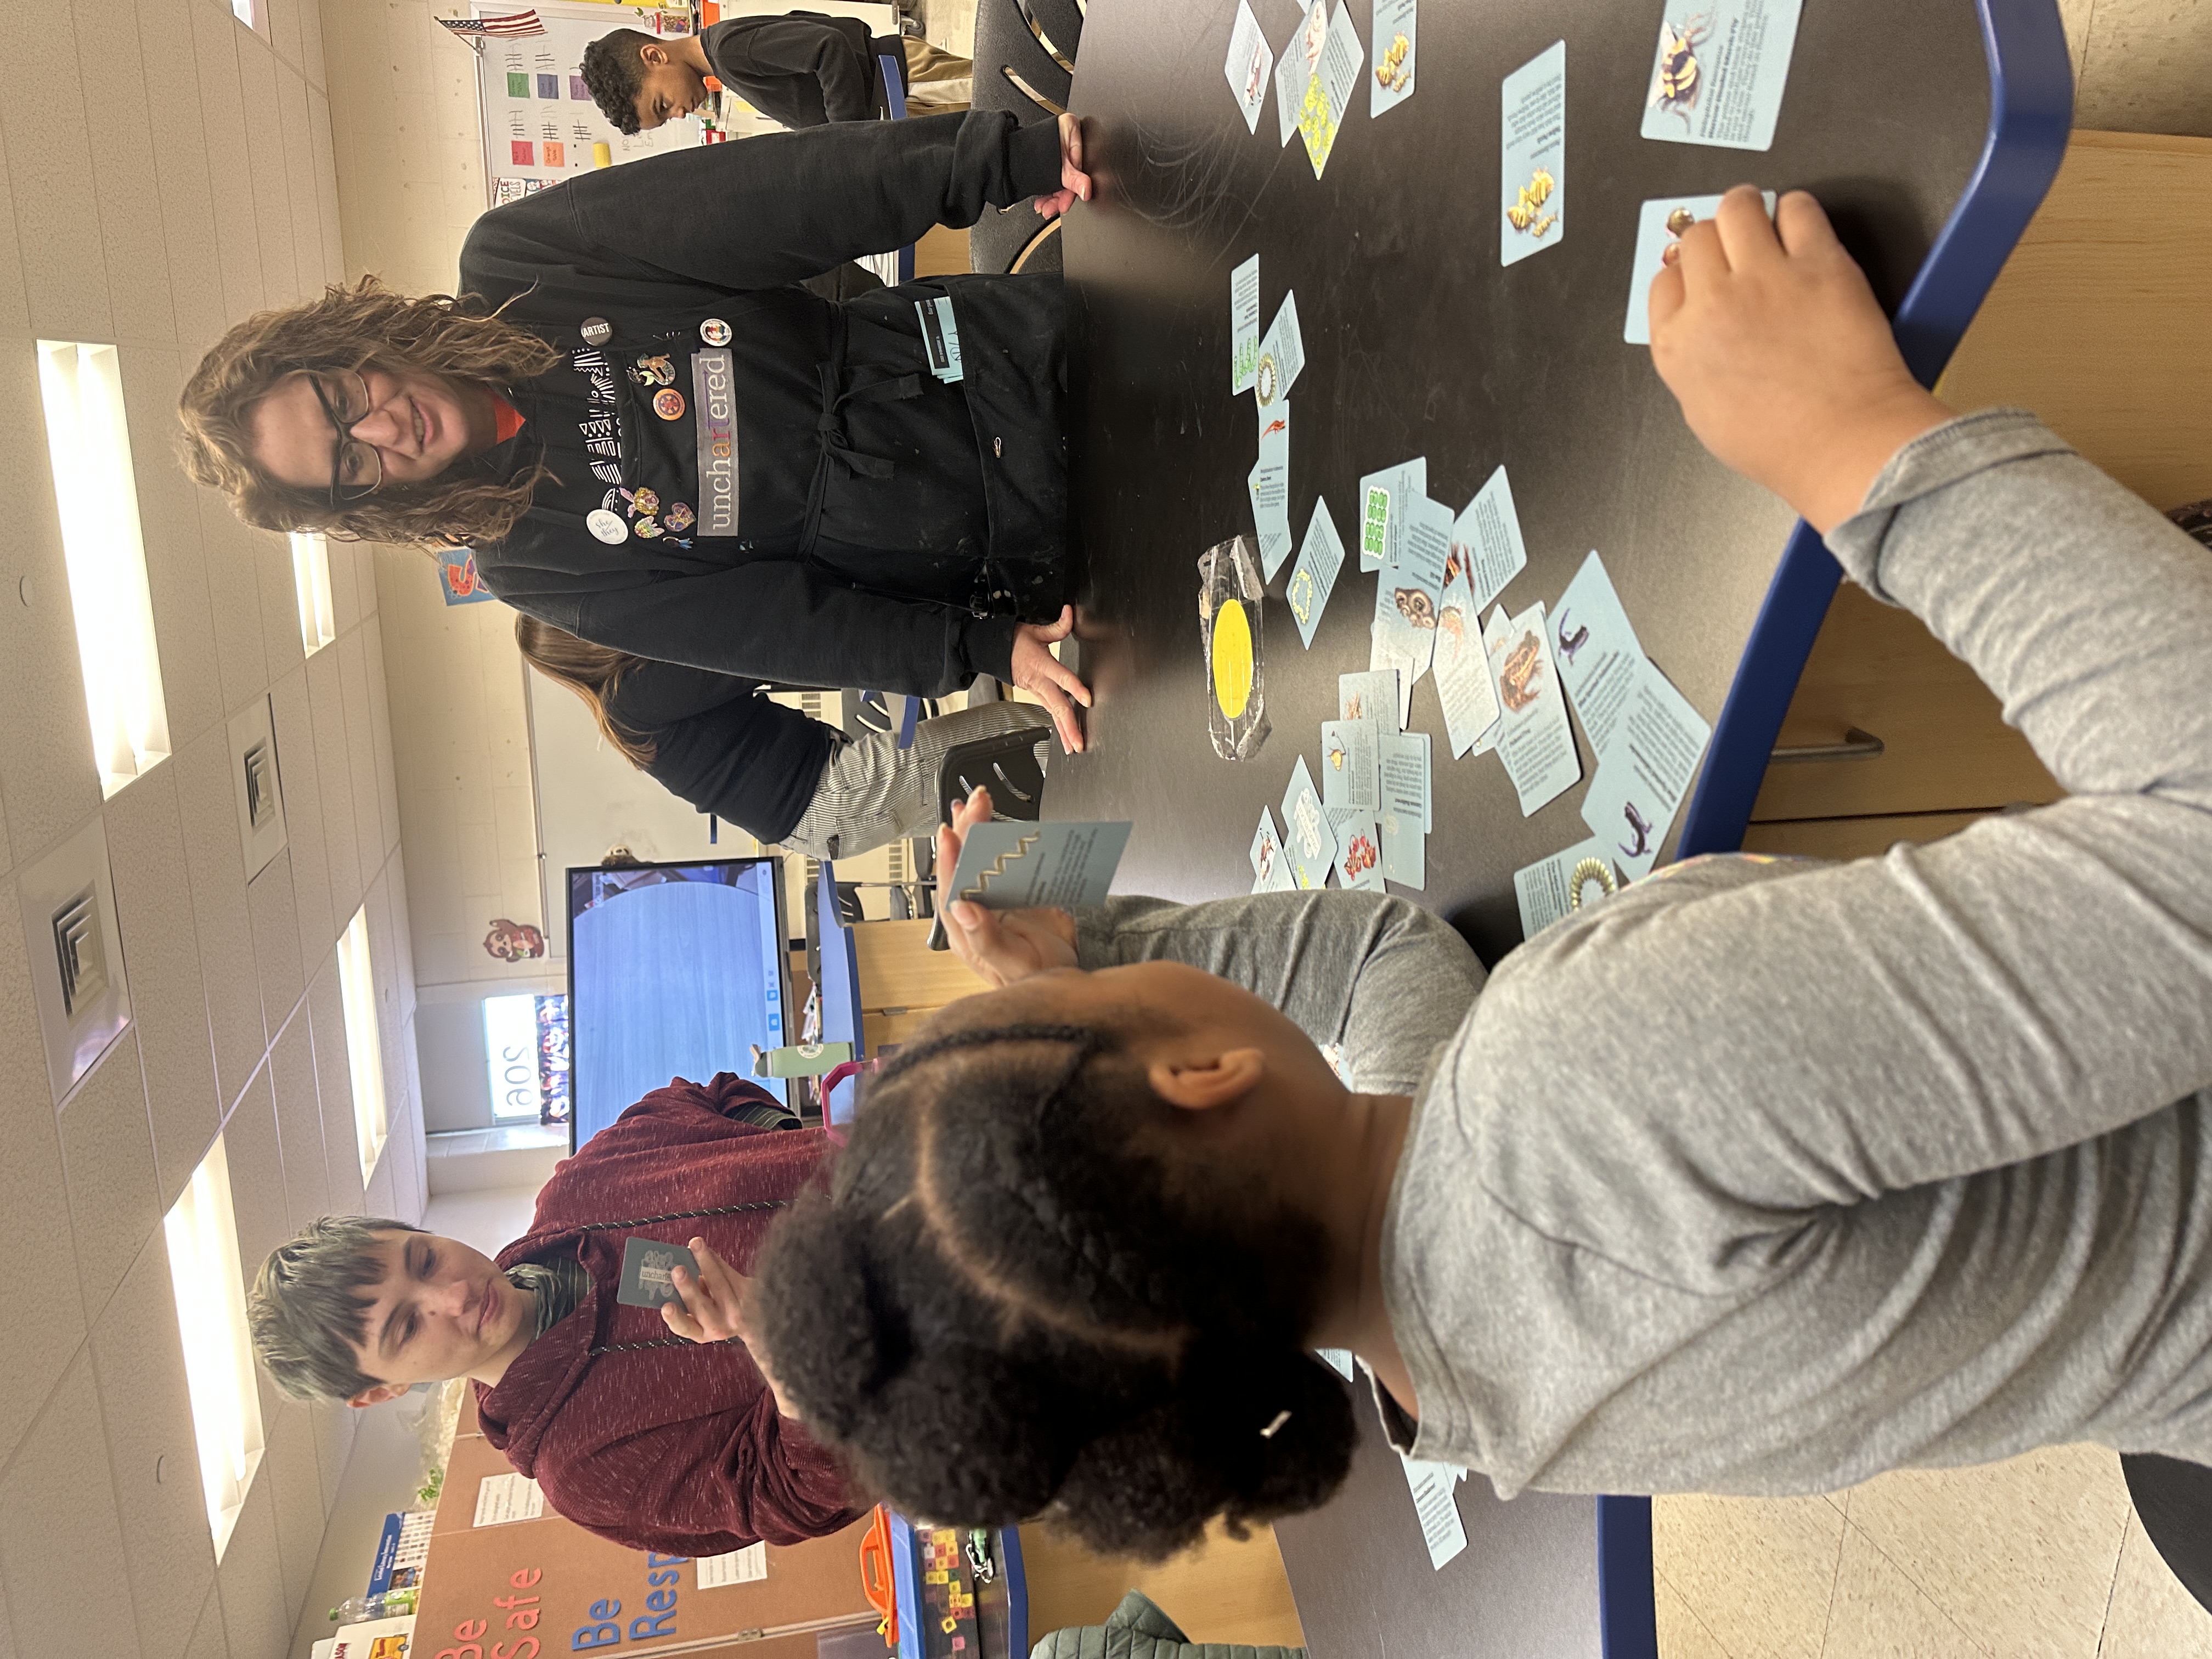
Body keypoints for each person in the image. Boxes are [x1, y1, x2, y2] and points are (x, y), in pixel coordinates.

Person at [723, 186, 2212, 1558]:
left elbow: (1386, 972)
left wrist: (1079, 969)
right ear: (1191, 1082)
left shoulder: (1450, 1382)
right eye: (1087, 1008)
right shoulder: (1573, 1088)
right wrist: (1858, 447)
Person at [176, 111, 1097, 748]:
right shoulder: (525, 560)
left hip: (988, 357)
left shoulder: (517, 262)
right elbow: (765, 627)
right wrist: (974, 648)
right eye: (349, 461)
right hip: (989, 548)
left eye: (343, 399)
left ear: (345, 344)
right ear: (361, 502)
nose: (382, 427)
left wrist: (1000, 164)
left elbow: (780, 199)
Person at [248, 1073, 864, 1555]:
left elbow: (709, 1095)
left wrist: (810, 1154)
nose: (455, 1296)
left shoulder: (583, 1185)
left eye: (425, 1258)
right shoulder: (584, 1467)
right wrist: (786, 1359)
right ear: (383, 1390)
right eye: (408, 1326)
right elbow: (800, 1497)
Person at [516, 616, 1051, 856]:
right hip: (833, 795)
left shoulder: (625, 712)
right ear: (580, 640)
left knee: (1014, 810)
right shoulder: (632, 694)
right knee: (1027, 740)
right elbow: (753, 646)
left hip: (824, 809)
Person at [583, 17, 970, 135]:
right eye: (666, 118)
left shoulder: (729, 51)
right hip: (898, 102)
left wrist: (847, 143)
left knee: (1020, 96)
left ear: (654, 56)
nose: (678, 114)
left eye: (663, 105)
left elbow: (828, 46)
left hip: (904, 83)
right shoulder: (724, 65)